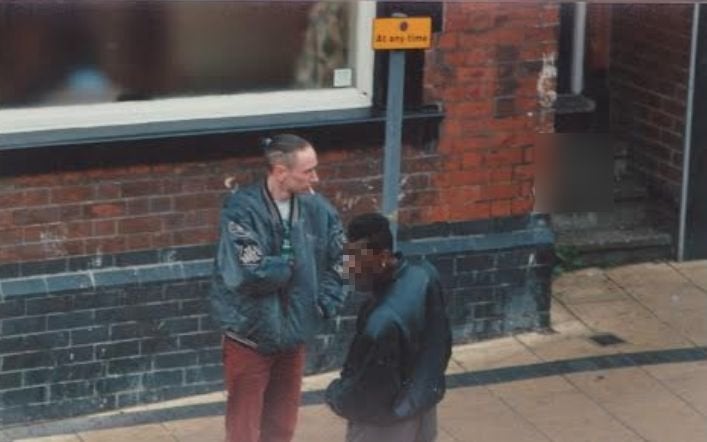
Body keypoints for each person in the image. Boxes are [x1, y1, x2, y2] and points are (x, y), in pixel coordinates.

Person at [210, 133, 346, 442]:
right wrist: (291, 265)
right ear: (281, 172)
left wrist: (326, 301)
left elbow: (350, 257)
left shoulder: (318, 209)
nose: (316, 177)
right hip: (250, 339)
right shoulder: (240, 210)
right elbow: (248, 271)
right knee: (244, 430)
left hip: (294, 338)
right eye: (308, 171)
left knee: (282, 428)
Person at [325, 213, 452, 442]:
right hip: (421, 409)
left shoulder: (381, 323)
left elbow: (366, 394)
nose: (348, 269)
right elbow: (440, 344)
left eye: (355, 260)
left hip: (385, 427)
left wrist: (335, 394)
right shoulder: (424, 275)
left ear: (383, 257)